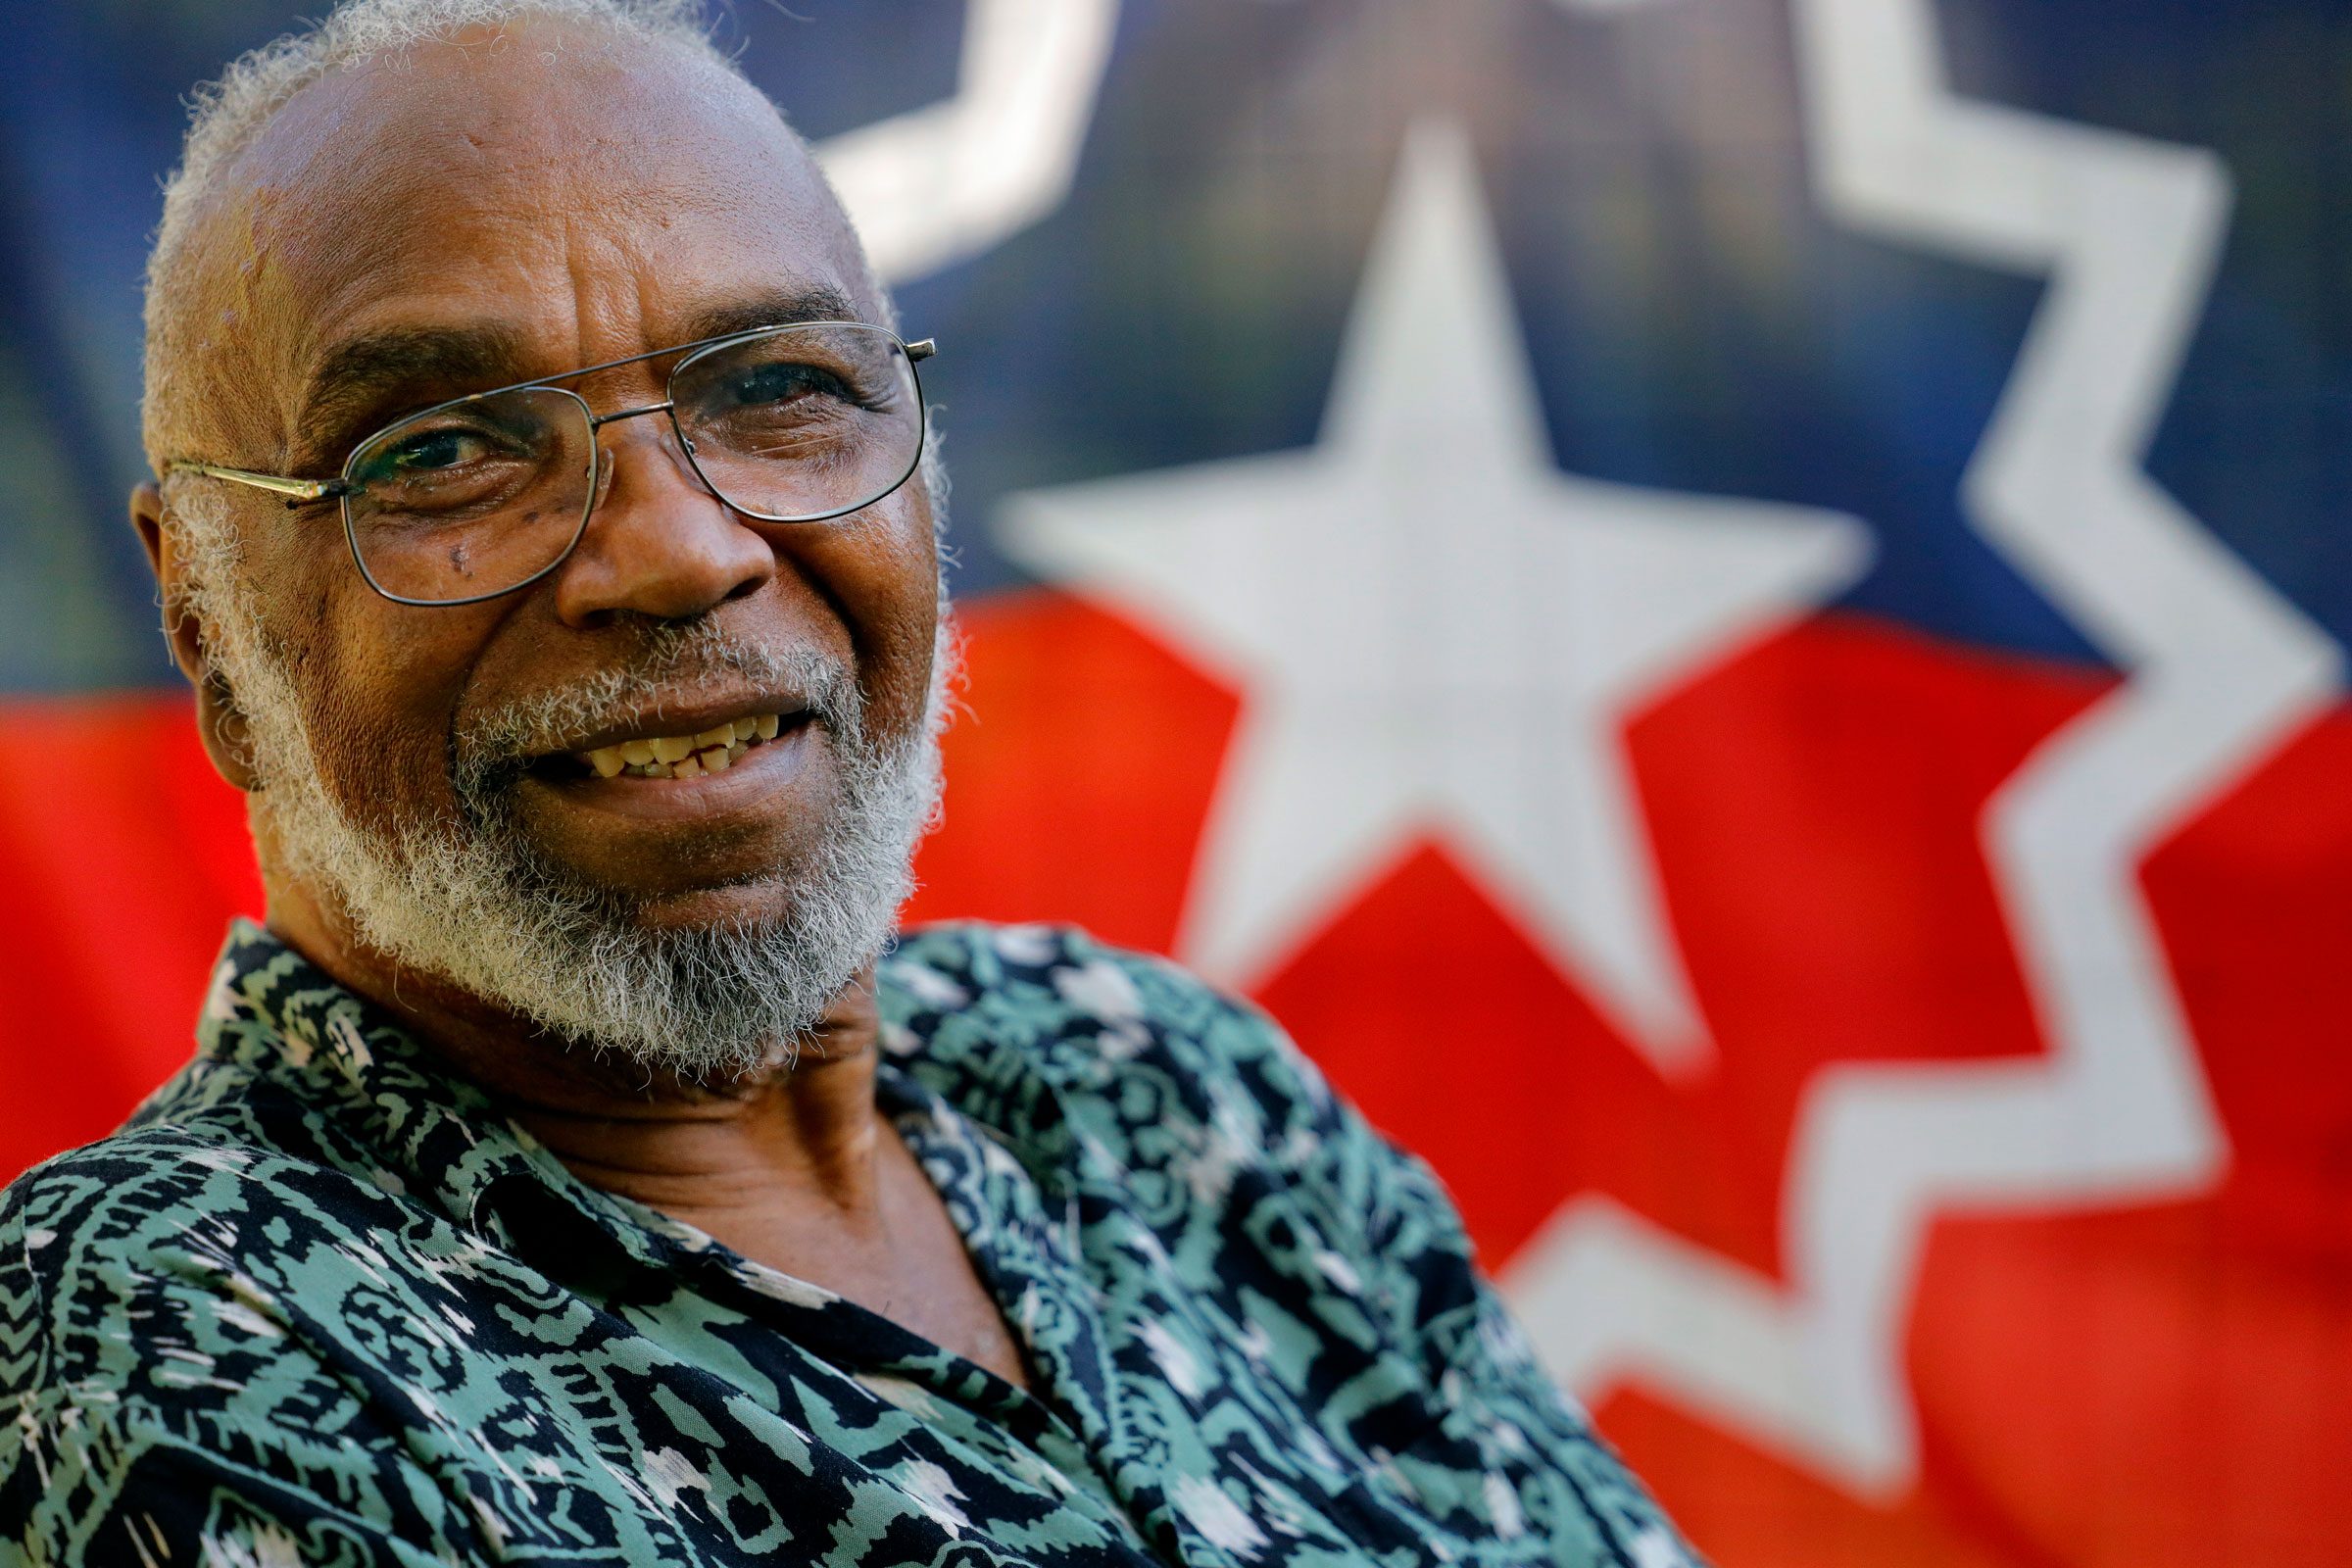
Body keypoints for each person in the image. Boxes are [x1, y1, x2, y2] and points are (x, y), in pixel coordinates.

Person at [0, 2, 1696, 1562]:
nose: (675, 552)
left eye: (781, 390)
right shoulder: (170, 1334)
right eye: (442, 450)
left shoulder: (1152, 1092)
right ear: (212, 629)